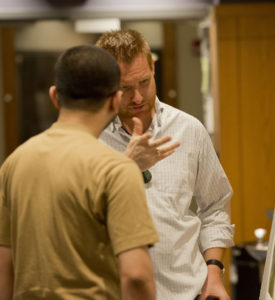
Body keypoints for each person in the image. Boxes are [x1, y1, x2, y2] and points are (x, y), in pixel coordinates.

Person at [0, 45, 160, 300]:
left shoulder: (14, 163)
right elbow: (136, 277)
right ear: (115, 100)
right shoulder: (117, 170)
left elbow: (4, 269)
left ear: (54, 96)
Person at [96, 29, 235, 300]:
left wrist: (214, 272)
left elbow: (216, 205)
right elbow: (79, 218)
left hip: (189, 291)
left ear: (152, 67)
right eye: (124, 88)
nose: (137, 97)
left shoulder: (189, 130)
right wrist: (128, 167)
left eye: (144, 82)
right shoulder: (91, 138)